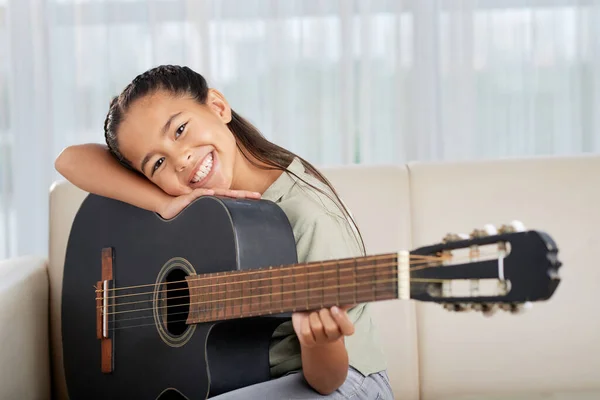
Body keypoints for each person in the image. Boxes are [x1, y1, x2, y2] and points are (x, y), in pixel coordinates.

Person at [55, 65, 393, 399]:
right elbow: (69, 160)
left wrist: (319, 339)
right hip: (247, 379)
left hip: (346, 383)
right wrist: (163, 204)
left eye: (180, 130)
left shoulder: (307, 217)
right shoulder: (184, 206)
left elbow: (328, 380)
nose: (181, 160)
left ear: (218, 107)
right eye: (156, 164)